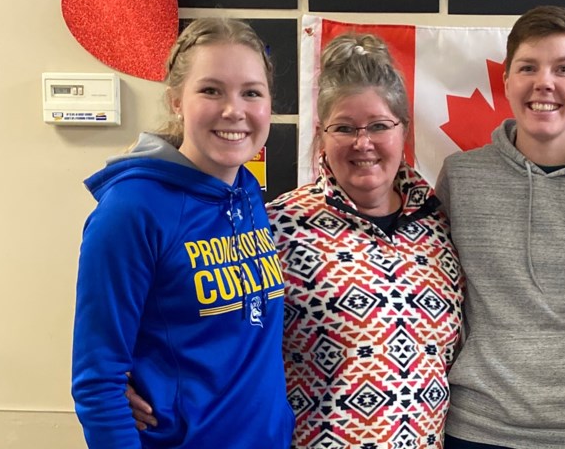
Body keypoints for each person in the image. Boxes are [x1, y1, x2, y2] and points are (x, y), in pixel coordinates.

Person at [130, 33, 464, 448]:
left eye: (379, 126)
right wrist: (132, 373)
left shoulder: (440, 223)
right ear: (322, 135)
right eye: (344, 128)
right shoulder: (274, 226)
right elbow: (190, 315)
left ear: (403, 131)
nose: (363, 143)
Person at [71, 18, 294, 449]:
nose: (234, 110)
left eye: (251, 92)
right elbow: (98, 384)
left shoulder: (246, 191)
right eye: (211, 90)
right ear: (176, 101)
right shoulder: (131, 211)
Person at [436, 5, 565, 449]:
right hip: (475, 424)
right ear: (507, 80)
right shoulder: (460, 177)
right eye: (528, 67)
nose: (543, 83)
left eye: (563, 68)